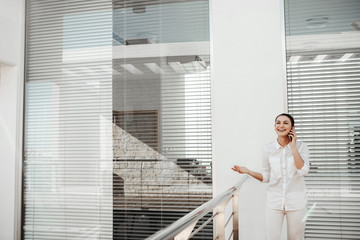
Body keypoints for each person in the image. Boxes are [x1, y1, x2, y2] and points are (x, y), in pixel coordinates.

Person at [232, 113, 310, 240]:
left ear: (292, 128)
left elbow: (303, 171)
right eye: (278, 122)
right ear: (274, 126)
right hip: (274, 202)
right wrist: (248, 171)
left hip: (297, 203)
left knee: (296, 238)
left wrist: (293, 147)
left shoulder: (302, 147)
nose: (281, 125)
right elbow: (266, 176)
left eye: (286, 123)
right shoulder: (268, 149)